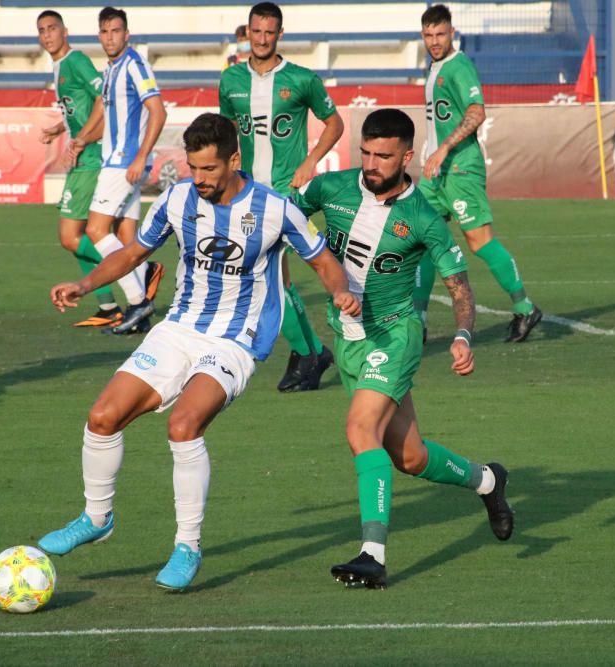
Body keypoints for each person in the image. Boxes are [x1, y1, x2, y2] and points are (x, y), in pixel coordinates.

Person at [38, 113, 360, 592]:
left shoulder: (275, 208)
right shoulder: (176, 199)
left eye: (209, 169)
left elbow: (323, 260)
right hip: (179, 329)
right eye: (193, 168)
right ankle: (96, 515)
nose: (200, 179)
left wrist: (339, 292)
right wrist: (85, 284)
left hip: (236, 339)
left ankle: (187, 544)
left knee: (184, 425)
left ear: (234, 159)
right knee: (103, 417)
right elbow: (132, 254)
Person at [292, 109, 514, 589]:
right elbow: (282, 216)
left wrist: (462, 335)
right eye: (366, 153)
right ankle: (489, 482)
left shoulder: (423, 218)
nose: (371, 163)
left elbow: (460, 288)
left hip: (394, 336)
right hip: (347, 338)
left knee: (359, 429)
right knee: (408, 458)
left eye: (383, 156)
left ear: (407, 156)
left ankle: (372, 554)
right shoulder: (330, 190)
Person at [219, 1, 344, 392]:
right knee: (273, 280)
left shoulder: (302, 79)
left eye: (269, 32)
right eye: (256, 31)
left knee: (269, 279)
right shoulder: (230, 80)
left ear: (279, 35)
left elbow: (334, 123)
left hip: (285, 195)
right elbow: (225, 131)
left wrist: (309, 163)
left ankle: (309, 351)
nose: (261, 38)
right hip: (245, 194)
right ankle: (309, 351)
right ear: (248, 32)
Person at [417, 4, 542, 343]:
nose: (434, 41)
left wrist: (443, 149)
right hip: (435, 173)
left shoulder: (458, 68)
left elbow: (476, 111)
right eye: (428, 35)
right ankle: (418, 318)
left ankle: (525, 306)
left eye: (440, 34)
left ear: (451, 32)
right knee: (421, 241)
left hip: (459, 169)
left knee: (479, 241)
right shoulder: (434, 66)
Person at [67, 6, 166, 335]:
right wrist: (82, 139)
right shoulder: (111, 69)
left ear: (127, 34)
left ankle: (139, 298)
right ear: (100, 35)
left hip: (124, 164)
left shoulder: (135, 65)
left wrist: (140, 157)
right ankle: (141, 308)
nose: (110, 37)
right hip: (117, 161)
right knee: (125, 238)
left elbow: (158, 112)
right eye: (105, 32)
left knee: (95, 230)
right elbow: (109, 122)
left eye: (116, 31)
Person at [37, 10, 123, 328]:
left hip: (90, 157)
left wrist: (82, 139)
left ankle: (137, 271)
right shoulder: (60, 67)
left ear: (65, 31)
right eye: (42, 30)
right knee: (80, 235)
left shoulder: (75, 61)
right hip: (83, 155)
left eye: (52, 28)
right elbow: (83, 107)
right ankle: (109, 306)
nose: (47, 35)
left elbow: (103, 96)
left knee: (70, 236)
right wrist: (62, 131)